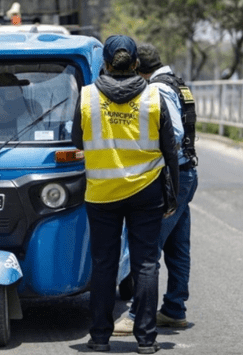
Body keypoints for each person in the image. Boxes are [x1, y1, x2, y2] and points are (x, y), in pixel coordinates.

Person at [71, 35, 179, 354]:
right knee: (146, 264)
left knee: (104, 264)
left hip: (102, 193)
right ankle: (146, 340)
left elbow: (78, 141)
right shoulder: (154, 96)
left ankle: (100, 338)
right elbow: (169, 150)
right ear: (136, 64)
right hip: (147, 192)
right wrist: (171, 193)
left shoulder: (87, 96)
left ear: (104, 62)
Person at [114, 43, 199, 335]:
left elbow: (173, 133)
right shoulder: (177, 83)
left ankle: (138, 313)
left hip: (173, 178)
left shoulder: (159, 89)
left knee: (148, 248)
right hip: (186, 174)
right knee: (177, 247)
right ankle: (174, 309)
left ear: (138, 67)